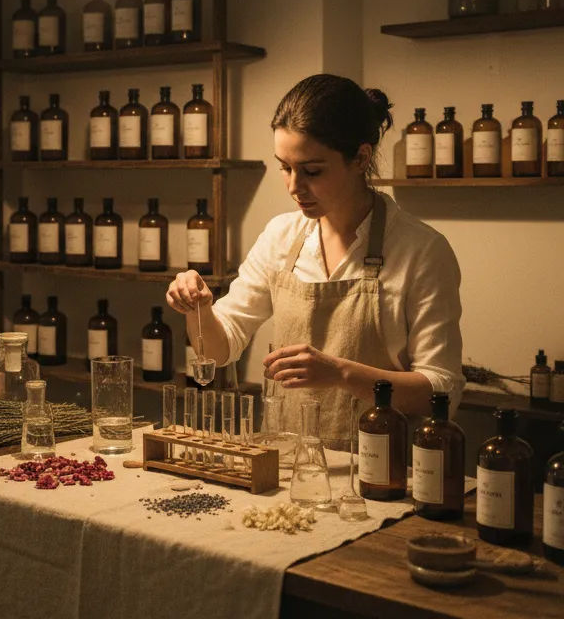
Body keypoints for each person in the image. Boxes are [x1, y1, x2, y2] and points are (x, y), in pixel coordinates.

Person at [165, 74, 464, 446]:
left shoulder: (420, 251)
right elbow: (219, 348)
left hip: (380, 472)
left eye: (312, 171)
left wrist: (340, 373)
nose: (294, 186)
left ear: (361, 157)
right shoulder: (281, 237)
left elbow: (442, 391)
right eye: (285, 167)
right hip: (287, 467)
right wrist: (200, 310)